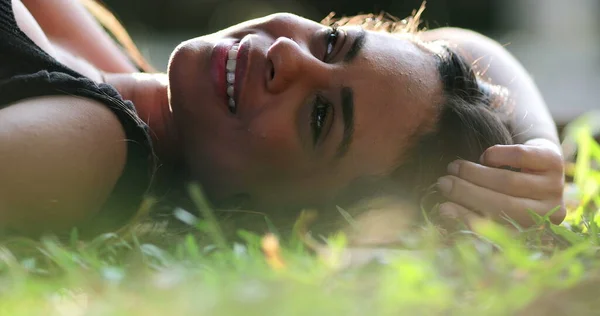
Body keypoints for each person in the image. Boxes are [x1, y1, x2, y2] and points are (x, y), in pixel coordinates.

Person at [0, 0, 565, 236]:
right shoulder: (115, 71)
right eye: (334, 42)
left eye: (319, 118)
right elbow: (462, 47)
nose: (289, 56)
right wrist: (538, 151)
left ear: (279, 216)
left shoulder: (90, 143)